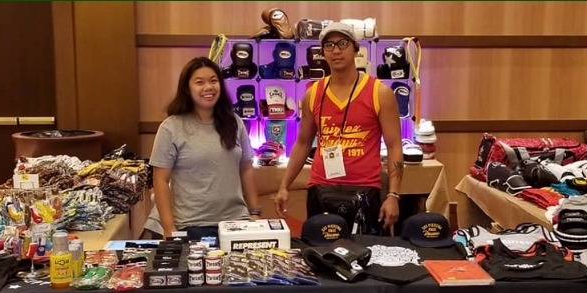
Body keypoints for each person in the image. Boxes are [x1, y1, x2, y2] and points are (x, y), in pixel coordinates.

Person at [274, 22, 404, 233]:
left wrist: (393, 195)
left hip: (365, 188)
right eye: (329, 45)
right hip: (321, 188)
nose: (336, 50)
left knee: (365, 251)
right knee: (320, 250)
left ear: (356, 48)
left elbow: (394, 145)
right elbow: (303, 143)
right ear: (323, 52)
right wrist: (284, 186)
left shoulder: (379, 92)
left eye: (343, 43)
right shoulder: (312, 94)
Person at [141, 56, 261, 241]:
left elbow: (246, 168)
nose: (208, 87)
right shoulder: (171, 127)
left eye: (213, 81)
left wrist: (255, 212)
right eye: (199, 82)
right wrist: (169, 228)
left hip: (237, 222)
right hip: (192, 225)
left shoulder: (234, 122)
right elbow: (160, 180)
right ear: (187, 89)